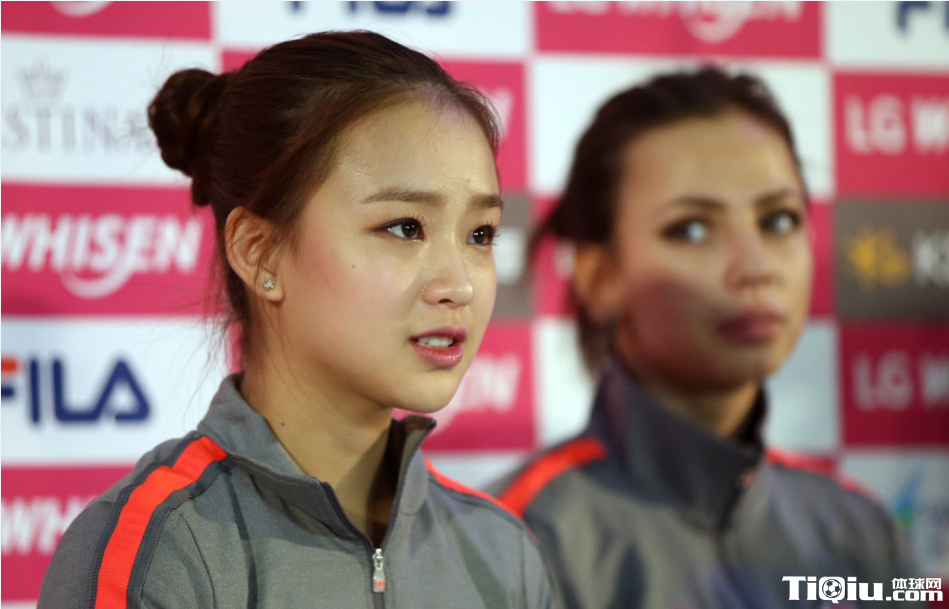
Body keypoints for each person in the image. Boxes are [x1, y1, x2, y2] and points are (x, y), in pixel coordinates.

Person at [39, 30, 551, 608]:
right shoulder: (159, 553)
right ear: (259, 253)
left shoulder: (502, 553)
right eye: (405, 227)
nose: (460, 285)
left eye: (480, 234)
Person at [495, 67, 920, 608]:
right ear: (599, 276)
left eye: (779, 220)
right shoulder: (512, 541)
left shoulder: (863, 529)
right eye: (692, 229)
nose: (756, 266)